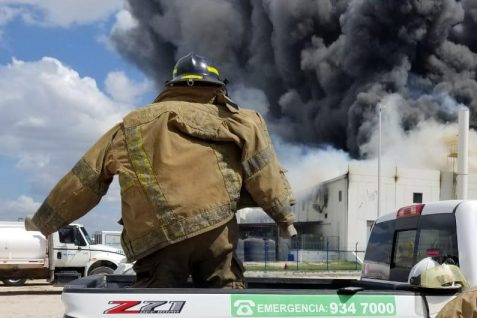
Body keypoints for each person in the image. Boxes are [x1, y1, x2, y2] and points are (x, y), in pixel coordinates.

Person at [25, 53, 296, 288]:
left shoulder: (132, 124)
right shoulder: (242, 121)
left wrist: (44, 223)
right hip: (217, 234)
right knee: (223, 298)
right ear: (216, 87)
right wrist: (284, 219)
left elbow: (86, 178)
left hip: (159, 239)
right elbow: (264, 173)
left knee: (156, 308)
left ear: (172, 85)